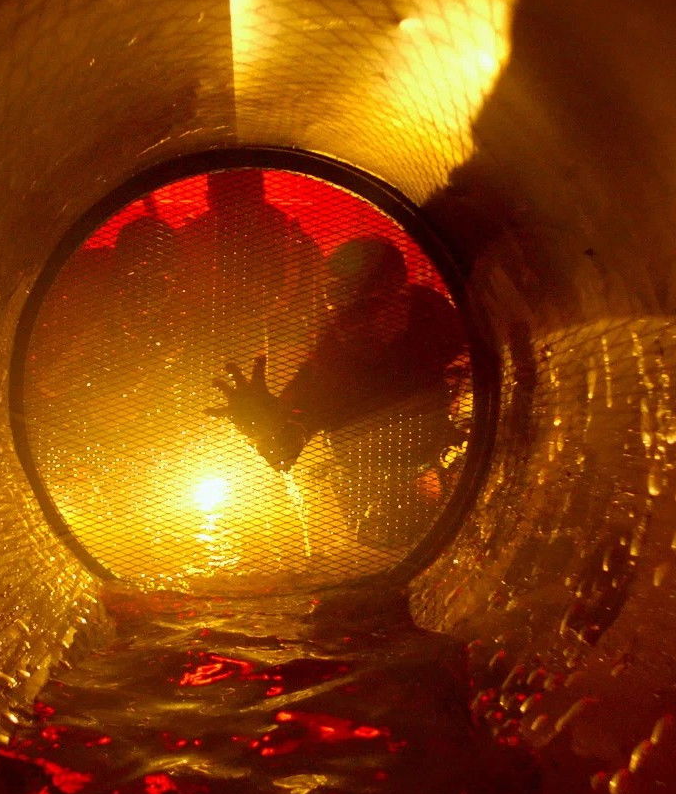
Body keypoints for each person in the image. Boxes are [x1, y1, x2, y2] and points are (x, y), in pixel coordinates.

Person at [208, 237, 468, 545]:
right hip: (372, 499)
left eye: (366, 308)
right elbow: (284, 447)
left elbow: (483, 365)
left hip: (445, 478)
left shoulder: (433, 318)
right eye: (338, 310)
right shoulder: (330, 366)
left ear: (402, 299)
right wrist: (261, 426)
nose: (351, 325)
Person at [178, 169, 323, 368]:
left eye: (242, 198)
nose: (236, 212)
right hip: (207, 345)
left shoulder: (294, 242)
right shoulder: (192, 239)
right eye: (228, 200)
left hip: (277, 346)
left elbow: (311, 308)